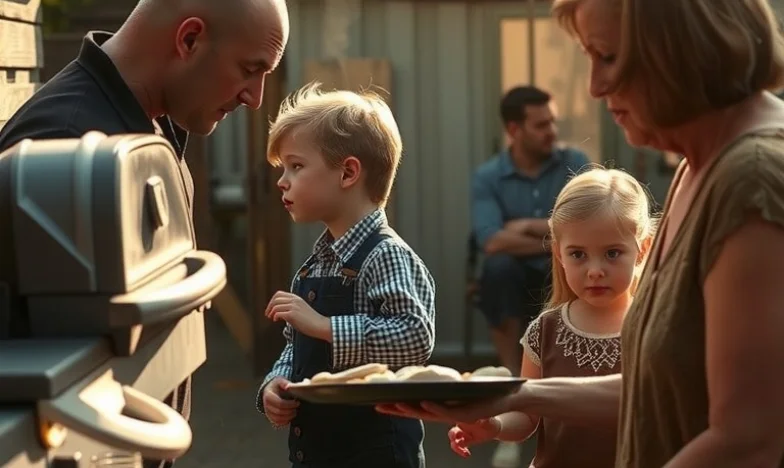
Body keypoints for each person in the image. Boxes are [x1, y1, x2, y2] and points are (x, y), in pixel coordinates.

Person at [378, 0, 784, 466]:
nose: (594, 86)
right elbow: (655, 392)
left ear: (683, 47)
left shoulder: (751, 180)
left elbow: (749, 440)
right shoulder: (700, 165)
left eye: (608, 57)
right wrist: (513, 397)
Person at [0, 1, 289, 467]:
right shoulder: (67, 146)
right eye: (249, 70)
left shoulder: (150, 131)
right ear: (189, 39)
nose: (255, 97)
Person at [256, 84, 436, 468]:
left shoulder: (386, 255)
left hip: (376, 454)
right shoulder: (317, 263)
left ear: (348, 172)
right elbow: (298, 346)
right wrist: (277, 382)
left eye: (296, 166)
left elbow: (415, 337)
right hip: (318, 452)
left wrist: (326, 325)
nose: (282, 181)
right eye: (283, 169)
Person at [451, 167, 654, 467]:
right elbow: (527, 414)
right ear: (559, 253)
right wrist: (493, 426)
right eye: (578, 254)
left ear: (642, 250)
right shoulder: (545, 330)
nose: (594, 270)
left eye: (612, 253)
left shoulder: (654, 326)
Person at [471, 86, 589, 466]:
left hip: (567, 271)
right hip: (517, 275)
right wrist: (557, 234)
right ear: (514, 129)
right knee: (498, 269)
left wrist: (526, 226)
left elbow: (587, 224)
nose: (552, 131)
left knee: (578, 265)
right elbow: (491, 240)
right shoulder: (488, 176)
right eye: (541, 125)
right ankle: (514, 383)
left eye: (552, 121)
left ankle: (572, 390)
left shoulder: (576, 162)